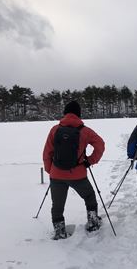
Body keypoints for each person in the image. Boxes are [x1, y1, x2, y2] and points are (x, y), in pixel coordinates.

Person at [43, 101, 105, 239]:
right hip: (78, 174)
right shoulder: (85, 131)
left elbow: (47, 152)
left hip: (57, 175)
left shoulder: (55, 129)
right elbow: (100, 145)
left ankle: (59, 231)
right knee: (89, 196)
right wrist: (90, 160)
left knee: (57, 205)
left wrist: (51, 170)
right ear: (79, 114)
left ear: (65, 113)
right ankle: (93, 223)